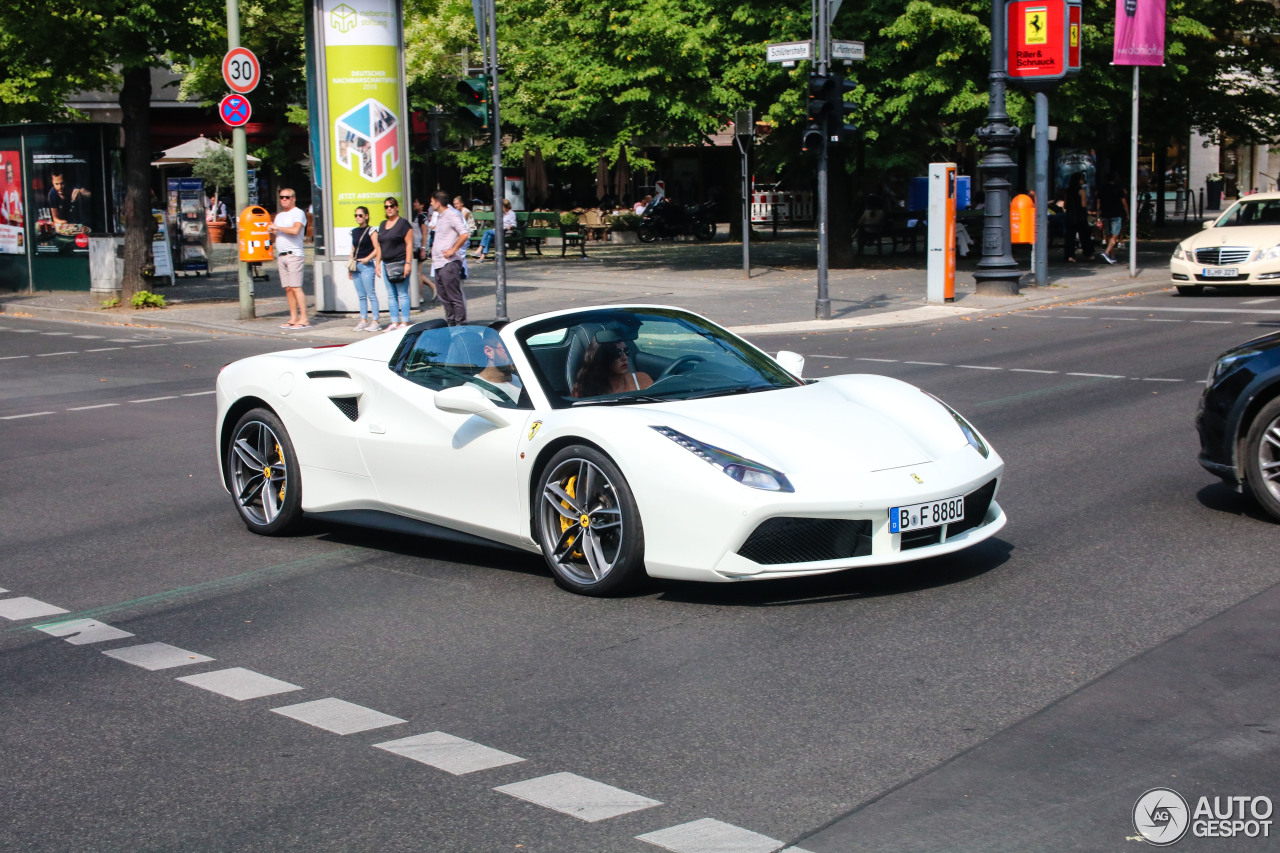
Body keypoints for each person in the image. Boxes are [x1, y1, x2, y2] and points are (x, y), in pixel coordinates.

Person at [267, 188, 309, 328]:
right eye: (282, 197)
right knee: (288, 288)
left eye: (287, 197)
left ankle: (304, 318)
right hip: (282, 254)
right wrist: (271, 232)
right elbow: (275, 236)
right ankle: (293, 317)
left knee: (296, 286)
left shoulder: (298, 213)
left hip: (294, 254)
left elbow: (295, 230)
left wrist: (277, 228)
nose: (284, 199)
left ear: (293, 199)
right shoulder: (279, 216)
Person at [430, 191, 472, 325]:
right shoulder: (441, 216)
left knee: (454, 297)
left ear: (438, 202)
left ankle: (460, 325)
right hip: (438, 263)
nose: (430, 205)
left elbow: (464, 233)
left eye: (431, 202)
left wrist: (453, 249)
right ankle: (451, 324)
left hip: (449, 263)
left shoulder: (451, 214)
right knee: (444, 297)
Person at [372, 196, 414, 330]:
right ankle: (394, 321)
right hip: (386, 263)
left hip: (400, 262)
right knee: (391, 294)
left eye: (391, 206)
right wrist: (378, 263)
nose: (389, 209)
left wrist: (408, 263)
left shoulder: (403, 224)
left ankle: (405, 321)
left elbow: (409, 244)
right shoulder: (383, 224)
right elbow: (379, 246)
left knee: (402, 293)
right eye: (386, 206)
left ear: (397, 207)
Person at [571, 337, 654, 397]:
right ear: (602, 357)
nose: (624, 357)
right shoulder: (583, 391)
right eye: (616, 353)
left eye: (626, 351)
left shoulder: (642, 379)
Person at [348, 206, 382, 332]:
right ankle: (363, 319)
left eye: (360, 215)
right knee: (361, 295)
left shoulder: (371, 230)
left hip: (366, 265)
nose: (358, 217)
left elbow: (377, 248)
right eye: (356, 215)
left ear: (366, 216)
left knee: (371, 294)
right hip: (356, 265)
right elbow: (353, 249)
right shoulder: (354, 231)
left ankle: (375, 321)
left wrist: (368, 258)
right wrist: (350, 267)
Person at [470, 328, 524, 405]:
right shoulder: (474, 392)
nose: (515, 354)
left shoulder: (525, 381)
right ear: (489, 352)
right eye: (508, 349)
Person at [1095, 172, 1129, 265]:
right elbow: (1124, 202)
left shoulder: (1102, 188)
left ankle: (1111, 255)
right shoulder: (1118, 188)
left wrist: (1098, 215)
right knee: (1115, 236)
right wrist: (1127, 213)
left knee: (1108, 235)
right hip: (1116, 214)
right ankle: (1106, 253)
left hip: (1105, 214)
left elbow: (1098, 202)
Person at [1063, 173, 1094, 263]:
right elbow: (1083, 205)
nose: (1083, 180)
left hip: (1070, 216)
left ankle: (1070, 255)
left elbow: (1065, 205)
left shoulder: (1068, 191)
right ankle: (1088, 253)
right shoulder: (1082, 191)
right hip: (1080, 216)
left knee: (1070, 237)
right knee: (1085, 236)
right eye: (1082, 179)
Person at [411, 196, 435, 302]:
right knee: (416, 272)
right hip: (416, 246)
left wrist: (423, 248)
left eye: (416, 202)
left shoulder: (422, 217)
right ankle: (432, 286)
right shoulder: (417, 216)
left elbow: (425, 233)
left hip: (419, 247)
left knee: (418, 273)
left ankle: (420, 296)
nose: (413, 204)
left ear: (422, 205)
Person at [452, 196, 476, 278]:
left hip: (469, 230)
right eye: (454, 204)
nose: (456, 205)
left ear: (462, 203)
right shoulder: (456, 211)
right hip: (461, 231)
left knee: (461, 252)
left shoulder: (465, 211)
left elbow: (460, 221)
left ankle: (463, 272)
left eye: (457, 204)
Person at [0, 161, 21, 225]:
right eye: (8, 173)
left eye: (11, 172)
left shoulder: (16, 188)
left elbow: (20, 205)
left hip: (18, 223)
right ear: (6, 174)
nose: (10, 175)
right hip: (9, 225)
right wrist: (8, 217)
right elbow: (1, 208)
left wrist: (20, 213)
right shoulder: (4, 190)